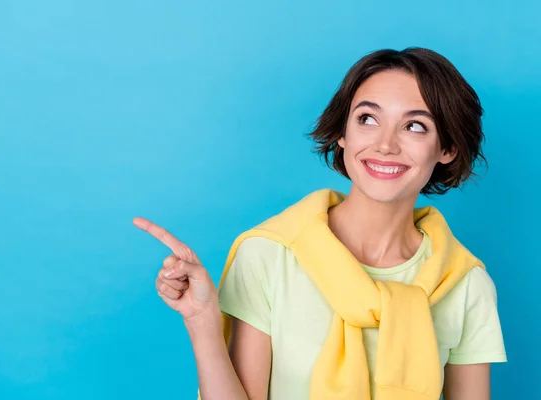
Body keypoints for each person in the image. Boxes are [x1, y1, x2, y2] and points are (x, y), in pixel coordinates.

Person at [134, 47, 507, 400]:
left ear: (447, 148)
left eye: (414, 126)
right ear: (342, 133)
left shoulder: (465, 283)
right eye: (368, 119)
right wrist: (203, 324)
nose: (385, 145)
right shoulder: (269, 254)